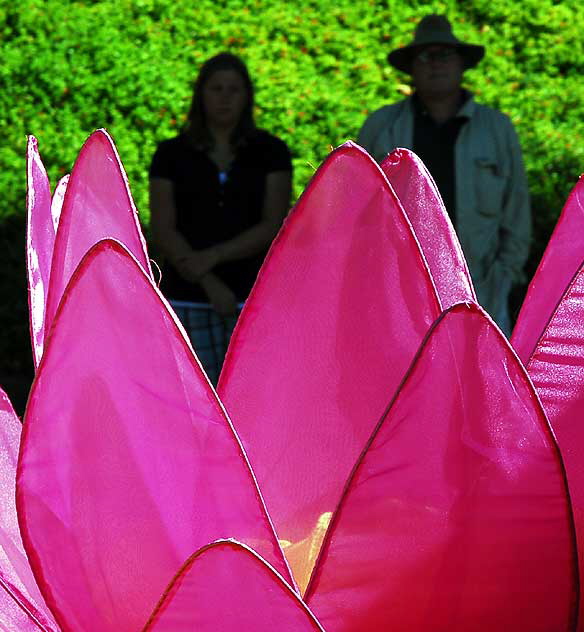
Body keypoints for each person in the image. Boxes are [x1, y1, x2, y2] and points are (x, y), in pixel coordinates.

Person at [357, 15, 531, 334]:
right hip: (396, 298)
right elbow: (355, 210)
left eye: (445, 54)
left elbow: (516, 212)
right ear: (411, 67)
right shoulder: (381, 127)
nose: (435, 64)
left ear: (462, 64)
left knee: (479, 382)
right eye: (425, 55)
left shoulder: (497, 129)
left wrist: (506, 275)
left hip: (482, 294)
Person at [149, 53, 292, 382]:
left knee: (251, 392)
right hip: (187, 297)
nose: (225, 98)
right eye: (216, 89)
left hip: (253, 294)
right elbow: (163, 227)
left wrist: (213, 257)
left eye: (234, 90)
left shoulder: (271, 151)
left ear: (247, 96)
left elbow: (272, 224)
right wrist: (209, 281)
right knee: (193, 397)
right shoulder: (171, 155)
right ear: (201, 94)